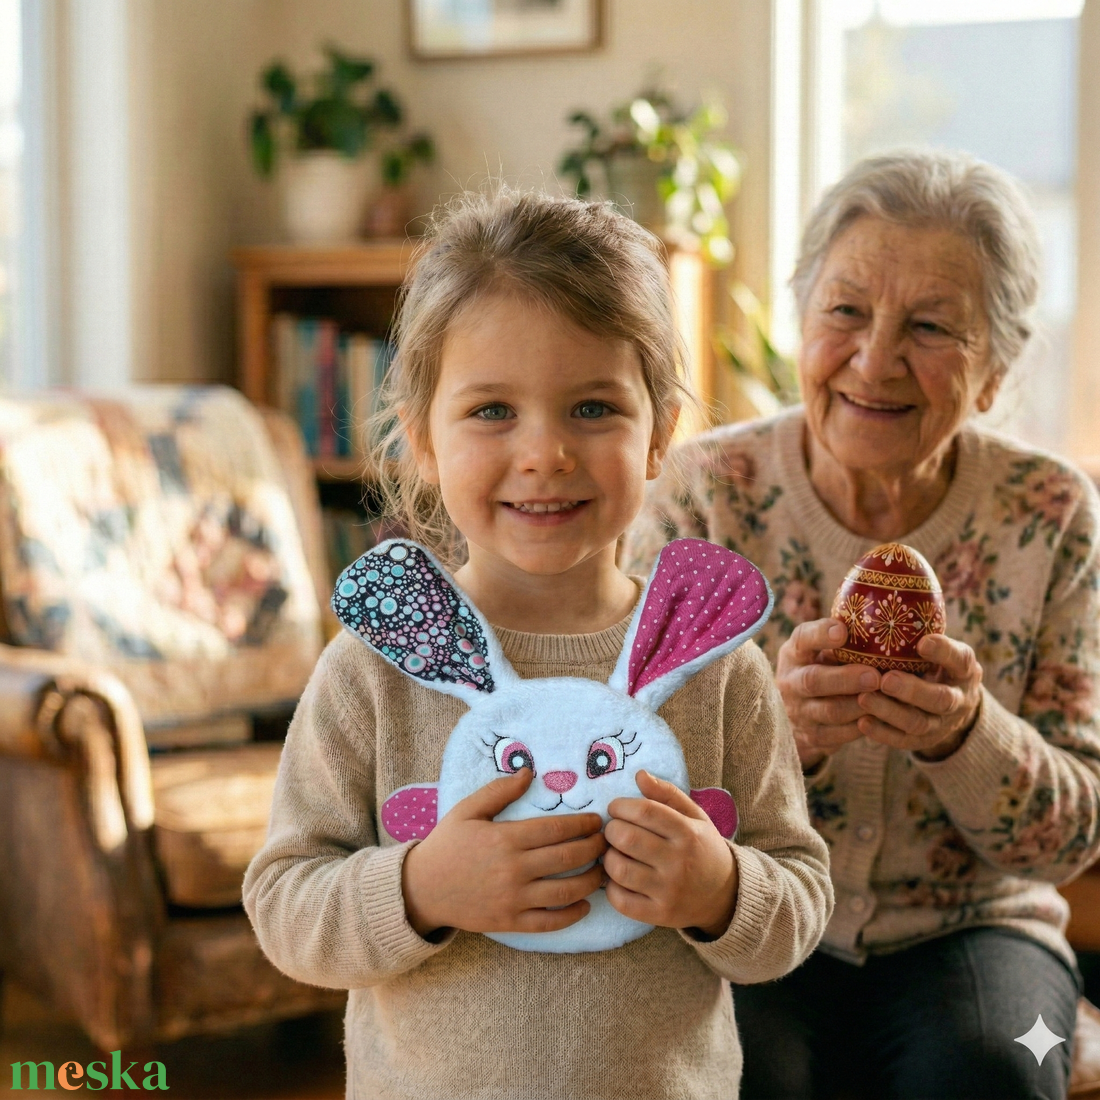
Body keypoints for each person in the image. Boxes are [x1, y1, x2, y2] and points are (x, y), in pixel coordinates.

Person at [242, 188, 832, 1100]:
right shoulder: (372, 670)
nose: (546, 452)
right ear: (422, 439)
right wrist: (419, 888)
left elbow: (797, 897)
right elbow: (285, 906)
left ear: (658, 434)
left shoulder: (715, 667)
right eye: (491, 412)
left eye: (593, 408)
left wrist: (719, 890)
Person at [623, 149, 1100, 1100]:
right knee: (731, 1079)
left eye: (931, 327)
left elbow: (1074, 835)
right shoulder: (704, 496)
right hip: (745, 913)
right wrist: (780, 736)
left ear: (997, 370)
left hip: (980, 932)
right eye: (844, 311)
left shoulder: (1052, 514)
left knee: (996, 1072)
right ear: (802, 321)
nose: (875, 360)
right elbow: (622, 772)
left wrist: (967, 735)